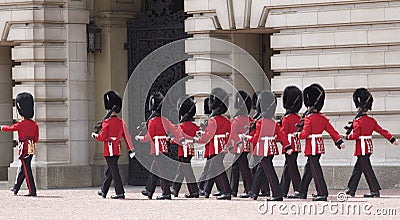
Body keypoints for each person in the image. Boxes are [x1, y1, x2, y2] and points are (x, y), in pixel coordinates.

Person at [289, 84, 345, 201]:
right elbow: (332, 131)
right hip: (318, 146)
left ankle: (322, 192)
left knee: (315, 170)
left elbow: (305, 134)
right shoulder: (322, 118)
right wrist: (339, 141)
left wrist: (297, 135)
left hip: (312, 146)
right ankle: (301, 191)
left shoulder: (309, 118)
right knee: (309, 169)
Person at [345, 88, 398, 198]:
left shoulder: (358, 121)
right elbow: (382, 131)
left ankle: (374, 190)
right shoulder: (371, 121)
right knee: (358, 169)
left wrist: (347, 137)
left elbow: (355, 136)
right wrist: (392, 139)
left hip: (362, 148)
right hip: (368, 147)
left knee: (367, 170)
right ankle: (351, 189)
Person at [136, 92, 183, 200]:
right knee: (155, 169)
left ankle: (166, 192)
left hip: (157, 149)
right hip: (164, 147)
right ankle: (149, 190)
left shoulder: (152, 121)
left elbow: (150, 137)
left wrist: (140, 138)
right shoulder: (165, 120)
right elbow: (175, 130)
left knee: (162, 172)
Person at [249, 90, 291, 201]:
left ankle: (277, 194)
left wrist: (248, 139)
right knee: (260, 170)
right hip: (271, 149)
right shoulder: (274, 123)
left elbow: (257, 138)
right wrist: (287, 146)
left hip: (263, 149)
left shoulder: (260, 122)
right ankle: (254, 192)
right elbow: (281, 135)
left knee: (269, 172)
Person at [91, 90, 135, 199]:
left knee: (114, 171)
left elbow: (102, 137)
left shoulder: (107, 122)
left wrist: (95, 135)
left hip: (109, 149)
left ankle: (120, 192)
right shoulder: (121, 122)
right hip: (117, 149)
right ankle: (104, 190)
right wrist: (131, 149)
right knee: (111, 170)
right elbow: (127, 136)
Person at [196, 88, 232, 200]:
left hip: (214, 148)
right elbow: (230, 134)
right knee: (212, 169)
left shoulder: (213, 121)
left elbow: (207, 136)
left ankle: (226, 192)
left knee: (218, 170)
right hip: (222, 147)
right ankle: (206, 190)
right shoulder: (226, 120)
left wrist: (198, 138)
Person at [2, 92, 38, 196]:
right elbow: (36, 138)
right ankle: (16, 188)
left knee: (27, 170)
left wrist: (1, 128)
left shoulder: (21, 124)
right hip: (31, 147)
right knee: (24, 168)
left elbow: (10, 128)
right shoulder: (34, 124)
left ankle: (32, 190)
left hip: (24, 147)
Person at [171, 96, 200, 198]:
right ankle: (175, 189)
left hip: (183, 151)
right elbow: (198, 134)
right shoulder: (194, 126)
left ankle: (194, 191)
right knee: (182, 170)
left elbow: (176, 139)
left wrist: (170, 139)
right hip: (190, 150)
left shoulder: (181, 126)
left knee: (187, 171)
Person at [229, 91, 254, 198]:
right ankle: (232, 189)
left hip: (238, 146)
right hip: (245, 144)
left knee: (244, 168)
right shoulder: (249, 119)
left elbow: (232, 134)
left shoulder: (237, 119)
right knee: (235, 167)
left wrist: (229, 145)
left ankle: (249, 189)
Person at [280, 86, 303, 198]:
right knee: (288, 166)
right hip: (296, 144)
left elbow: (282, 133)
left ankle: (299, 189)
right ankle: (282, 190)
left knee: (292, 167)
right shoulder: (298, 118)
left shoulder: (286, 118)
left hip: (288, 144)